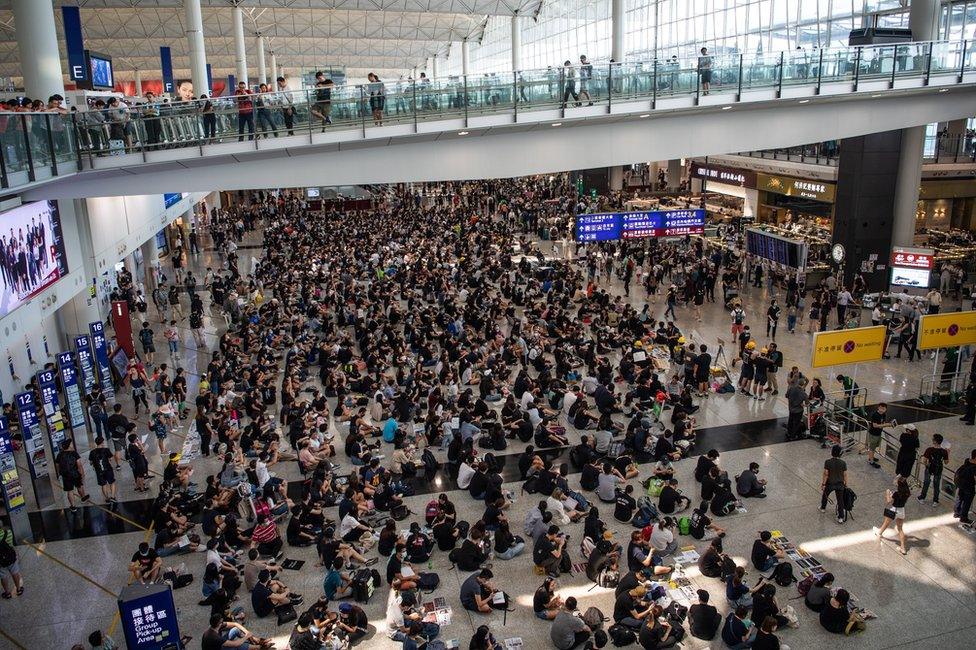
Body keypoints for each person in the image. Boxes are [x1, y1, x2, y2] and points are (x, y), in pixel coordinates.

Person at [874, 476, 911, 555]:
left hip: (894, 510)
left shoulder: (896, 493)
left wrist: (888, 493)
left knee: (886, 523)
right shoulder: (907, 493)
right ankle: (903, 548)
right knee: (900, 529)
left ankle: (879, 532)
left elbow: (888, 501)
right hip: (901, 511)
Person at [55, 438, 90, 512]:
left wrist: (60, 473)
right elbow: (79, 465)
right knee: (79, 486)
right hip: (75, 474)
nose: (72, 445)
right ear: (69, 446)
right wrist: (82, 474)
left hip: (66, 475)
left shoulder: (59, 455)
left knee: (70, 491)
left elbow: (57, 465)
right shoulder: (74, 453)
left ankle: (73, 506)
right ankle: (83, 497)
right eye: (71, 444)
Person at [918, 433, 949, 505]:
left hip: (929, 468)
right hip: (939, 469)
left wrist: (927, 465)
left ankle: (922, 497)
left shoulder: (929, 450)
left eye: (933, 439)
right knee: (936, 484)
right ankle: (935, 500)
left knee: (926, 483)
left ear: (935, 441)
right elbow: (946, 462)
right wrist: (948, 453)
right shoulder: (944, 451)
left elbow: (923, 461)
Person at [820, 445, 848, 524]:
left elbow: (826, 474)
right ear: (840, 453)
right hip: (840, 484)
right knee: (840, 501)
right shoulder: (843, 463)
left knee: (825, 495)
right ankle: (841, 517)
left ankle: (823, 508)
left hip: (830, 483)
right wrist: (846, 484)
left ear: (832, 452)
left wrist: (823, 484)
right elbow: (845, 474)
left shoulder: (828, 462)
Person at [866, 403, 894, 468]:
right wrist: (886, 425)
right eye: (881, 408)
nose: (882, 410)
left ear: (886, 409)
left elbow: (882, 423)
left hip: (879, 433)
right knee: (872, 448)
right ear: (878, 407)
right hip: (873, 434)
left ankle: (871, 457)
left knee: (875, 446)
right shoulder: (875, 415)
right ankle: (871, 461)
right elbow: (875, 425)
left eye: (883, 409)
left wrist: (887, 424)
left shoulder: (884, 414)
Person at [0, 524, 24, 598]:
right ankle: (19, 589)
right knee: (15, 573)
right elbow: (11, 545)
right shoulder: (8, 532)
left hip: (0, 561)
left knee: (3, 576)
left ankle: (7, 593)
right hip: (11, 557)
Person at [954, 448, 976, 525]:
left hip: (960, 484)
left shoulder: (967, 460)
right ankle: (963, 518)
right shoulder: (975, 467)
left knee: (960, 498)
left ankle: (957, 513)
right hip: (969, 486)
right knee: (967, 502)